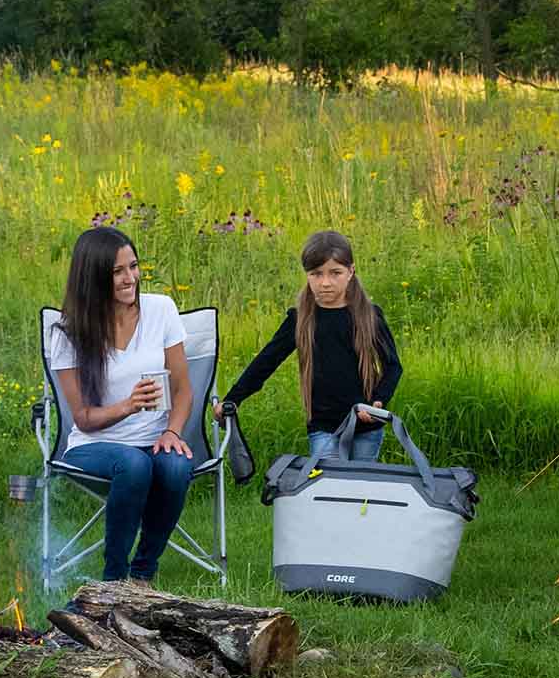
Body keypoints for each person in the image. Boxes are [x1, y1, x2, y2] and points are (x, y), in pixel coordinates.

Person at [46, 227, 195, 588]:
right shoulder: (69, 333)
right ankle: (113, 580)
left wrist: (172, 430)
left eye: (134, 266)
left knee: (175, 468)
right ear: (93, 276)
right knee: (134, 463)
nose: (131, 279)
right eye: (118, 272)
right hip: (93, 445)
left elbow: (183, 390)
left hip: (154, 438)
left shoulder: (161, 310)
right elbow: (83, 418)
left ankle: (142, 575)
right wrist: (127, 406)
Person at [224, 229, 401, 460]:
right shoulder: (300, 320)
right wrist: (233, 398)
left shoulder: (370, 316)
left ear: (351, 271)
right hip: (323, 427)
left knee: (360, 492)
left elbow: (393, 366)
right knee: (327, 488)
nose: (325, 283)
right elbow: (266, 362)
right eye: (316, 274)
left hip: (367, 427)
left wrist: (377, 401)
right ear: (307, 275)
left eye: (335, 273)